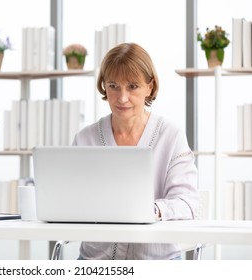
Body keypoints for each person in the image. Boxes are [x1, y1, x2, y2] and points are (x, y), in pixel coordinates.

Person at [73, 43, 199, 260]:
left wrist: (152, 210)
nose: (122, 98)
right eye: (113, 86)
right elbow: (70, 200)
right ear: (104, 86)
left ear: (149, 87)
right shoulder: (85, 138)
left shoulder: (171, 135)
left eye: (132, 86)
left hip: (157, 263)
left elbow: (188, 203)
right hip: (95, 263)